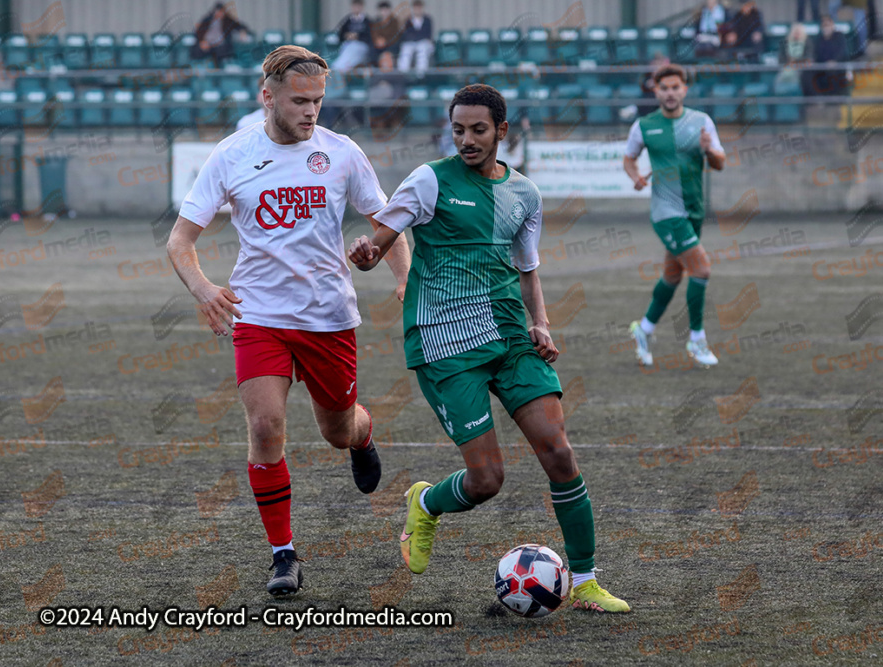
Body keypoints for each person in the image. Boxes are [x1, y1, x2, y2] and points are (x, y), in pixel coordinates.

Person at [347, 84, 631, 614]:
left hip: (509, 337)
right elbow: (380, 242)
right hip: (446, 344)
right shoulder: (431, 180)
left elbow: (528, 269)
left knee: (560, 452)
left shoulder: (525, 194)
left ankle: (587, 581)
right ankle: (426, 503)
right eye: (458, 130)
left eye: (478, 130)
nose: (467, 139)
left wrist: (541, 323)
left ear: (502, 130)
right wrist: (366, 253)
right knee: (487, 480)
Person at [167, 45, 411, 597]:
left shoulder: (342, 153)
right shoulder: (231, 156)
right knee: (264, 427)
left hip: (328, 319)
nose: (311, 112)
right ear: (268, 97)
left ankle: (362, 432)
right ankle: (283, 555)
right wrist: (204, 287)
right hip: (259, 316)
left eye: (319, 101)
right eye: (300, 101)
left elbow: (389, 221)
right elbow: (180, 240)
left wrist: (400, 273)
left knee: (335, 431)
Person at [624, 64, 726, 369]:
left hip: (694, 210)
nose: (670, 93)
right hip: (667, 214)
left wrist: (709, 151)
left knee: (672, 275)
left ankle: (643, 331)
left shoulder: (701, 122)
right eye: (664, 88)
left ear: (684, 89)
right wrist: (636, 177)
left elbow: (720, 163)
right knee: (701, 270)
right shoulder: (643, 126)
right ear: (655, 90)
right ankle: (696, 339)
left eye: (675, 87)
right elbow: (628, 159)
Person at [191, 2, 253, 68]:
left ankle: (219, 70)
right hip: (207, 43)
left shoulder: (228, 21)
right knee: (197, 51)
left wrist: (242, 32)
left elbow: (240, 26)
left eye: (221, 12)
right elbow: (198, 32)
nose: (219, 14)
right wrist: (201, 41)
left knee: (222, 53)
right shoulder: (207, 20)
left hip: (221, 45)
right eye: (217, 12)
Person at [811, 15, 850, 95]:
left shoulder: (839, 36)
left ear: (832, 25)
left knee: (833, 72)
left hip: (838, 66)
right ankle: (816, 100)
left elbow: (842, 52)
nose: (826, 28)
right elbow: (816, 55)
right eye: (824, 26)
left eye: (827, 25)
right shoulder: (819, 40)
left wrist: (834, 61)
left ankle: (835, 100)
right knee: (808, 74)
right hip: (822, 67)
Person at [332, 0, 373, 71]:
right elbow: (340, 34)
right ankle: (338, 69)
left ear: (361, 7)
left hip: (361, 47)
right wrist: (347, 36)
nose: (356, 8)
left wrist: (357, 36)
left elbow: (370, 37)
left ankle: (338, 68)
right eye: (354, 6)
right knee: (346, 53)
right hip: (347, 45)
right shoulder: (347, 20)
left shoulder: (367, 21)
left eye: (358, 6)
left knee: (350, 55)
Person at [398, 0, 434, 73]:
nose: (417, 10)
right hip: (411, 43)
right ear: (413, 9)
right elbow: (406, 35)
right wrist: (417, 37)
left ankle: (421, 75)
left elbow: (428, 35)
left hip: (423, 43)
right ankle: (403, 73)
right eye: (416, 8)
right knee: (405, 50)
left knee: (422, 50)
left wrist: (417, 37)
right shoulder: (408, 20)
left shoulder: (427, 20)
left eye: (419, 8)